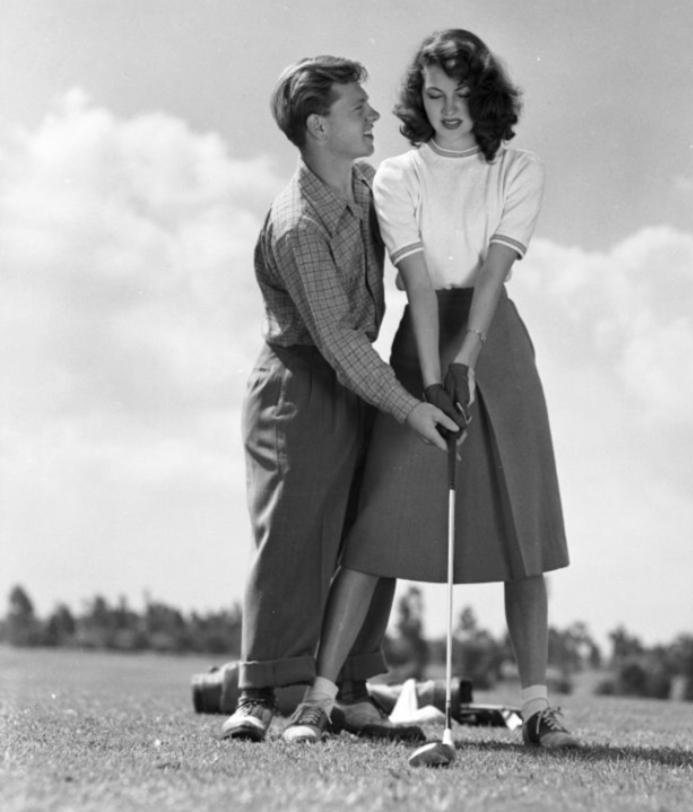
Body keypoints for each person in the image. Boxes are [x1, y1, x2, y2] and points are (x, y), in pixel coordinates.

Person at [282, 29, 580, 749]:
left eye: (461, 93)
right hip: (421, 342)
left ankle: (537, 707)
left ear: (485, 93)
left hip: (494, 342)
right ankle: (319, 700)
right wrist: (432, 377)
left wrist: (468, 361)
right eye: (434, 94)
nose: (448, 109)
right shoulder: (397, 174)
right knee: (378, 520)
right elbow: (415, 281)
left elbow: (495, 273)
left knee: (522, 529)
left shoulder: (518, 167)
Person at [221, 55, 461, 743]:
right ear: (320, 125)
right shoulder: (298, 224)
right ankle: (260, 693)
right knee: (294, 534)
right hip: (298, 383)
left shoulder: (363, 186)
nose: (374, 116)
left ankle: (352, 687)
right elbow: (338, 342)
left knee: (371, 525)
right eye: (360, 108)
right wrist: (412, 408)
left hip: (358, 380)